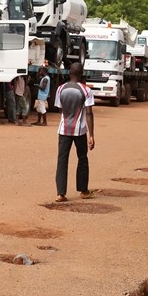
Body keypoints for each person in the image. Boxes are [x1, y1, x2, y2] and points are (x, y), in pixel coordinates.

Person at [53, 62, 95, 202]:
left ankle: (60, 193)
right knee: (82, 158)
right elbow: (89, 113)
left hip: (64, 129)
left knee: (62, 160)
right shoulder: (86, 90)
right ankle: (83, 190)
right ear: (82, 74)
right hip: (80, 131)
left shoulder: (60, 89)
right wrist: (91, 135)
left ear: (69, 73)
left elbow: (60, 109)